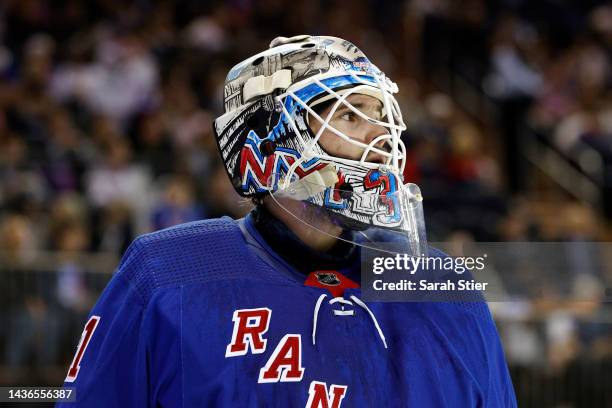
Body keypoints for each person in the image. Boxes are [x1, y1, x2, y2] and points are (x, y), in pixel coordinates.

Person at [58, 35, 516, 407]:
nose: (381, 135)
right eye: (352, 115)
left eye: (381, 116)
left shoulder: (443, 289)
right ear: (272, 141)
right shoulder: (168, 272)